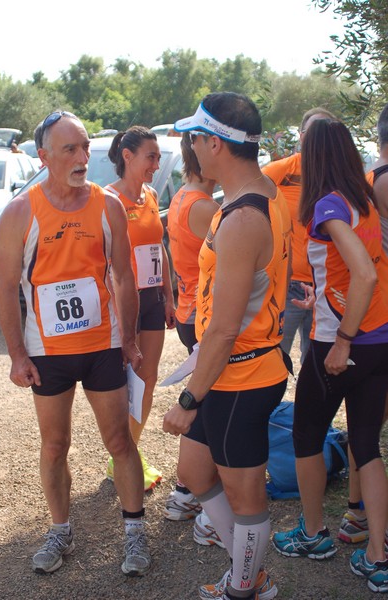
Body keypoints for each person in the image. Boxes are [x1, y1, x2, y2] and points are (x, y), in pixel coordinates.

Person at [0, 111, 151, 576]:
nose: (83, 157)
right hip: (46, 350)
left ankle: (135, 532)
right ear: (43, 157)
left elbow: (124, 277)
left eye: (85, 147)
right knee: (53, 444)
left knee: (120, 439)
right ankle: (60, 529)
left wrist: (128, 339)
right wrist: (17, 355)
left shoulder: (107, 206)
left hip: (102, 345)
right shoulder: (20, 212)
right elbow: (6, 288)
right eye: (70, 149)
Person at [163, 92, 291, 600]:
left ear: (214, 144)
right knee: (195, 472)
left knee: (244, 493)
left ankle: (247, 586)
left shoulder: (243, 218)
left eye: (194, 138)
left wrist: (189, 398)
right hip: (225, 368)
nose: (190, 147)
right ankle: (249, 567)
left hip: (242, 374)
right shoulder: (248, 197)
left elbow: (223, 329)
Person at [272, 118, 388, 595]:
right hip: (379, 340)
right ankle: (379, 556)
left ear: (314, 155)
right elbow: (353, 271)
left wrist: (341, 338)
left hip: (340, 344)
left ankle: (314, 533)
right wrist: (321, 297)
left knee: (306, 436)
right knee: (367, 444)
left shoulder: (328, 204)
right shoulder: (365, 200)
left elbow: (364, 274)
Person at [105, 126, 175, 492]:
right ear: (127, 156)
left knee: (147, 378)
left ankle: (132, 450)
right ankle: (121, 453)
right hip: (122, 304)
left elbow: (158, 246)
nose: (156, 164)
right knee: (121, 383)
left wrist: (169, 294)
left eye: (159, 157)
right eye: (151, 156)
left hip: (153, 302)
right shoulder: (106, 199)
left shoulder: (150, 195)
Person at [164, 132, 222, 543]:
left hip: (189, 310)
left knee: (206, 397)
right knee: (212, 403)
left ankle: (187, 493)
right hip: (202, 315)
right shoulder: (205, 207)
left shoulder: (181, 197)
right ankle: (202, 499)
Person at [336, 103, 388, 548]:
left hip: (376, 319)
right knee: (369, 428)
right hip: (380, 318)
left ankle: (358, 514)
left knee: (367, 428)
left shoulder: (368, 183)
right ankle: (362, 519)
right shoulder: (380, 182)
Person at [262, 107, 336, 364]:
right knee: (273, 358)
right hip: (287, 286)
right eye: (315, 132)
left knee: (315, 365)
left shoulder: (340, 179)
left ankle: (307, 406)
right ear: (302, 137)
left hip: (328, 287)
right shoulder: (279, 172)